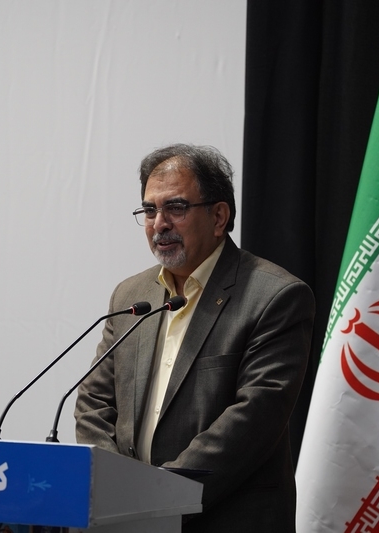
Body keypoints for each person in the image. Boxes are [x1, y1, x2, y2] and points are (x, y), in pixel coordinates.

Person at [74, 143, 314, 532]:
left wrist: (158, 498)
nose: (159, 223)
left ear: (219, 216)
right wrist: (116, 491)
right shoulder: (132, 295)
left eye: (176, 207)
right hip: (129, 519)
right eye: (149, 210)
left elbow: (253, 420)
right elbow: (94, 402)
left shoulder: (275, 296)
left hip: (225, 519)